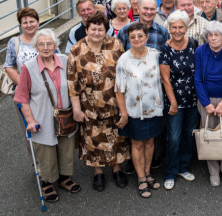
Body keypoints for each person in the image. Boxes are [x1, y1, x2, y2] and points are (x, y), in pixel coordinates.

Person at [14, 29, 80, 203]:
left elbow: (75, 86)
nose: (45, 47)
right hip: (42, 116)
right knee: (46, 150)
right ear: (35, 46)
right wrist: (30, 120)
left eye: (49, 43)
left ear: (55, 45)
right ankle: (48, 182)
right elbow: (22, 97)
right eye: (41, 44)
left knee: (65, 148)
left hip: (65, 115)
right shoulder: (29, 67)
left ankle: (64, 178)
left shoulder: (65, 61)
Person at [67, 12, 129, 192]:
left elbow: (124, 71)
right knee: (93, 139)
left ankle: (117, 169)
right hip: (89, 104)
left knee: (117, 137)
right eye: (92, 29)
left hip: (115, 101)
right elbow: (72, 82)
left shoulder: (115, 44)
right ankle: (98, 172)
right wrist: (77, 109)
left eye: (100, 29)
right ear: (86, 29)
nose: (96, 32)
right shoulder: (76, 49)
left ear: (106, 30)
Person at [115, 22, 163, 197]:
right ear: (129, 38)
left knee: (150, 142)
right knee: (137, 144)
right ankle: (141, 178)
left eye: (140, 36)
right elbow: (119, 89)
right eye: (133, 36)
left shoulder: (156, 55)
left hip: (154, 108)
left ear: (146, 37)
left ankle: (148, 173)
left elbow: (164, 79)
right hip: (134, 110)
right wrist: (124, 113)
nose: (137, 39)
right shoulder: (124, 59)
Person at [159, 11, 201, 190]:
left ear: (186, 28)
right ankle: (170, 172)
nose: (177, 31)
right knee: (173, 137)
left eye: (180, 27)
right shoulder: (164, 49)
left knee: (188, 135)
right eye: (174, 27)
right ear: (169, 28)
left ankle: (183, 167)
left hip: (193, 98)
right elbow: (165, 79)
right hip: (174, 100)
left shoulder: (193, 44)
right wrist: (173, 102)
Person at [194, 21, 222, 185]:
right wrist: (206, 103)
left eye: (217, 34)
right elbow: (197, 79)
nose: (214, 38)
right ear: (206, 37)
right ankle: (213, 172)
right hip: (206, 100)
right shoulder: (200, 51)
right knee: (209, 134)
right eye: (210, 35)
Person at [5, 8, 60, 87]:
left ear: (38, 22)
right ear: (20, 25)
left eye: (32, 21)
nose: (29, 25)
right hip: (26, 88)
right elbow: (9, 67)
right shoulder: (14, 42)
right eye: (25, 23)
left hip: (50, 86)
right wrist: (24, 85)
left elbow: (58, 61)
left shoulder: (49, 38)